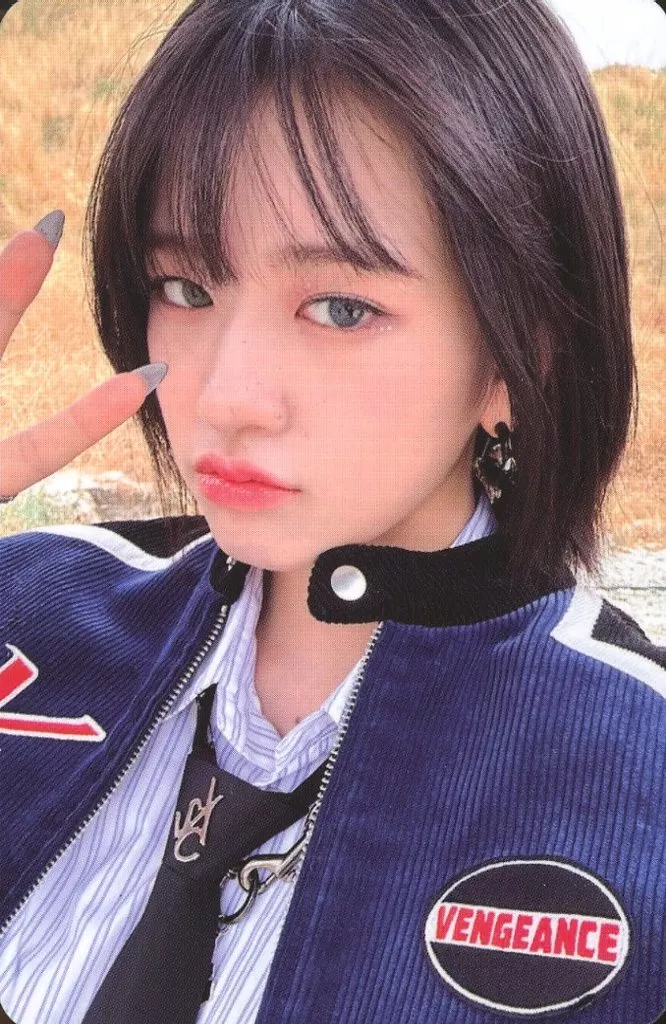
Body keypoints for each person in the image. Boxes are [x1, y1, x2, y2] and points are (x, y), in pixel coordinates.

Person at [0, 0, 664, 1021]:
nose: (228, 396)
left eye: (340, 308)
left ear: (518, 352)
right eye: (184, 287)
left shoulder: (635, 774)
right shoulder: (29, 612)